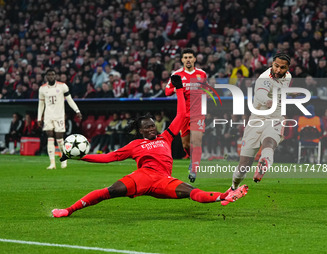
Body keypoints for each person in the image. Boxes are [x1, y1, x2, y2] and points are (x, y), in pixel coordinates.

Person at [52, 75, 248, 218]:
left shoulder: (166, 137)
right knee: (109, 192)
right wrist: (79, 156)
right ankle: (68, 210)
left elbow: (181, 115)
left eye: (153, 125)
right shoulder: (135, 145)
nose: (153, 128)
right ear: (141, 131)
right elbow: (108, 157)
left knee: (191, 192)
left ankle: (225, 195)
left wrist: (179, 90)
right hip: (141, 178)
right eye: (148, 127)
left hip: (164, 180)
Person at [229, 53, 292, 191]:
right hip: (257, 119)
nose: (278, 70)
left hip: (275, 118)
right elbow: (261, 93)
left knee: (269, 142)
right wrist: (267, 101)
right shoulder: (264, 78)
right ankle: (234, 187)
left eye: (282, 67)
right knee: (244, 163)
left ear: (287, 68)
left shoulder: (288, 77)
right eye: (276, 66)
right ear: (272, 64)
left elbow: (282, 91)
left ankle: (264, 162)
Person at [165, 48, 207, 183]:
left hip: (198, 113)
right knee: (186, 145)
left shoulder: (202, 74)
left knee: (197, 140)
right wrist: (177, 87)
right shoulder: (176, 75)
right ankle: (191, 158)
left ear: (194, 59)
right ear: (182, 60)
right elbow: (167, 91)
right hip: (183, 114)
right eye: (185, 57)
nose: (188, 59)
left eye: (190, 57)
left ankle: (194, 169)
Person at [37, 69, 82, 169]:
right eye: (49, 75)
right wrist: (39, 118)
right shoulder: (42, 89)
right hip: (48, 116)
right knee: (49, 136)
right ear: (46, 77)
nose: (51, 76)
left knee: (59, 138)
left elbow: (69, 100)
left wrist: (77, 110)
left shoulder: (62, 86)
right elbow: (41, 104)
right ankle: (52, 163)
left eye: (53, 74)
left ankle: (64, 159)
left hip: (59, 116)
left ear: (55, 76)